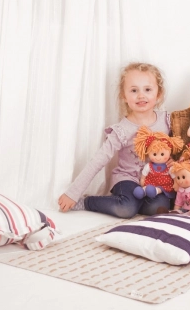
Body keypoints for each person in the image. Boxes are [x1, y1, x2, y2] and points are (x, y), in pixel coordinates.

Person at [57, 62, 172, 218]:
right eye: (134, 90)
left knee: (159, 208)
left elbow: (177, 146)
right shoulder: (121, 130)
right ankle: (88, 202)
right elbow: (98, 160)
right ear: (124, 96)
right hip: (127, 178)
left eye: (147, 89)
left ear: (158, 94)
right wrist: (73, 193)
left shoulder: (166, 120)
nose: (141, 95)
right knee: (126, 209)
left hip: (153, 181)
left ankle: (135, 202)